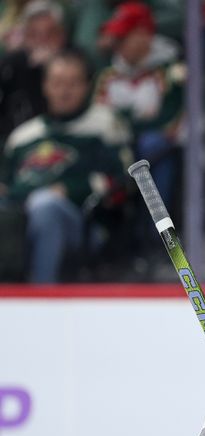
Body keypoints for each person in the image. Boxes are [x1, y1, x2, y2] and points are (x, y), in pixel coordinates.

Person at [0, 49, 131, 283]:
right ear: (45, 86)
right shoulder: (23, 136)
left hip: (85, 224)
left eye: (73, 83)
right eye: (57, 83)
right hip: (20, 217)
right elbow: (6, 187)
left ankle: (42, 297)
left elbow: (123, 180)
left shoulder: (104, 125)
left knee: (46, 205)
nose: (64, 91)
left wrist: (69, 189)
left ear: (86, 86)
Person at [93, 1, 184, 212]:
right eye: (115, 38)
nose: (116, 44)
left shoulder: (172, 71)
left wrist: (127, 124)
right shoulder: (107, 76)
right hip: (117, 150)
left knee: (152, 144)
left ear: (145, 35)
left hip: (161, 155)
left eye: (123, 38)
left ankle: (158, 230)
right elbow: (98, 117)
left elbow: (171, 121)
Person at [0, 0, 68, 146]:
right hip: (19, 144)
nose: (42, 41)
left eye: (50, 34)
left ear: (62, 35)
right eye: (34, 34)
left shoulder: (75, 63)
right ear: (25, 37)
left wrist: (51, 67)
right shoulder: (11, 65)